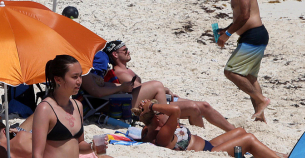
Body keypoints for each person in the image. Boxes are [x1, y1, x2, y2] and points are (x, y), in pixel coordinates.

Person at [101, 40, 235, 131]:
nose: (128, 51)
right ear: (115, 54)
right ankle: (193, 135)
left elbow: (142, 88)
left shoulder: (127, 70)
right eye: (125, 50)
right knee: (194, 108)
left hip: (158, 100)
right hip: (148, 106)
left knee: (204, 105)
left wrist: (164, 91)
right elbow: (137, 93)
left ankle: (232, 130)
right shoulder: (119, 72)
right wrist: (160, 91)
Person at [1, 113, 158, 158]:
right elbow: (39, 117)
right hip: (64, 154)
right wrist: (21, 130)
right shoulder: (22, 136)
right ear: (4, 131)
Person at [211, 0, 270, 122]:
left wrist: (228, 34)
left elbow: (245, 15)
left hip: (254, 35)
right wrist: (225, 29)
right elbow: (239, 18)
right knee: (250, 77)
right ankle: (260, 118)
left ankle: (261, 99)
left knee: (230, 71)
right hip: (251, 36)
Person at [135, 100, 284, 158]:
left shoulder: (153, 128)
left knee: (240, 131)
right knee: (249, 139)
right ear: (156, 118)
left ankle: (275, 154)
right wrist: (152, 106)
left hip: (209, 145)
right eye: (161, 112)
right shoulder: (162, 134)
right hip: (210, 154)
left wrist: (150, 109)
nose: (165, 112)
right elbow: (175, 109)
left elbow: (171, 111)